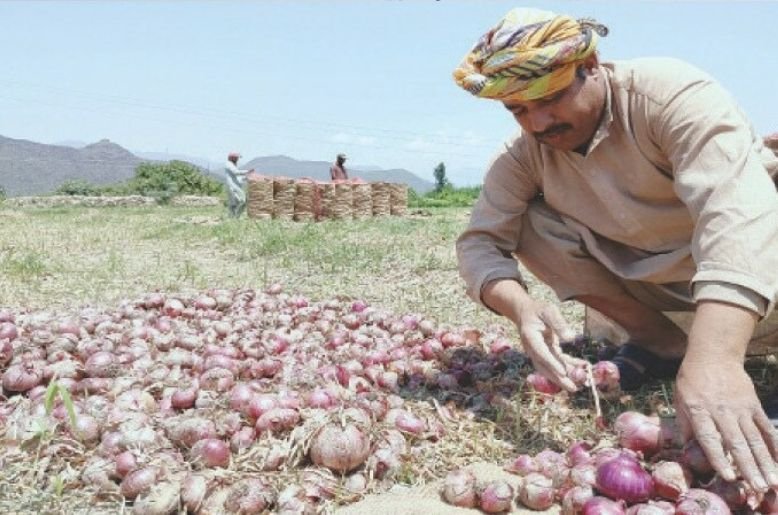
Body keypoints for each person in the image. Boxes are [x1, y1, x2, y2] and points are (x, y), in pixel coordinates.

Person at [453, 8, 778, 491]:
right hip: (653, 288)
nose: (538, 121)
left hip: (754, 276)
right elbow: (481, 242)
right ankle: (661, 343)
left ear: (591, 65)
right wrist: (520, 308)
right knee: (526, 222)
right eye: (517, 109)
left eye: (552, 97)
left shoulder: (671, 94)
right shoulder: (523, 154)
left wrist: (716, 358)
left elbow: (736, 215)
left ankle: (707, 354)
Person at [224, 151, 252, 218]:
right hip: (233, 186)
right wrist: (247, 171)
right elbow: (236, 173)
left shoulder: (232, 165)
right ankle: (236, 216)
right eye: (236, 158)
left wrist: (246, 177)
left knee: (234, 203)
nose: (237, 160)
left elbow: (238, 178)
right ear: (232, 158)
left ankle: (232, 217)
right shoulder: (229, 164)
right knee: (243, 201)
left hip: (235, 186)